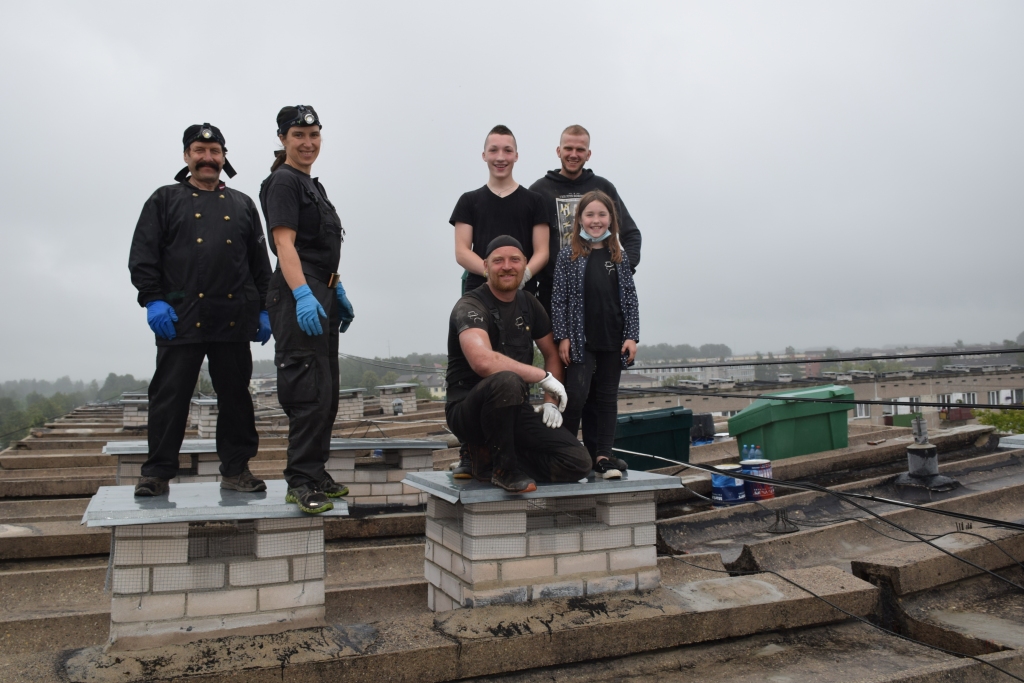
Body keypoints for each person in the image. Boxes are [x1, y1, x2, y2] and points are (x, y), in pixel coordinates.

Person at [128, 123, 273, 497]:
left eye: (215, 152)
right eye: (199, 150)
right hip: (179, 318)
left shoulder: (243, 204)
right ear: (186, 156)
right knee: (169, 398)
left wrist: (264, 310)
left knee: (236, 400)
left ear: (224, 157)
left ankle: (237, 470)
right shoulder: (163, 199)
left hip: (234, 318)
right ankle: (156, 473)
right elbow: (143, 257)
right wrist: (152, 298)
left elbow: (260, 264)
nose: (207, 158)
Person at [260, 105, 356, 514]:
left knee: (327, 393)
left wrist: (337, 288)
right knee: (307, 390)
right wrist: (302, 293)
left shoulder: (311, 184)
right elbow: (285, 246)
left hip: (322, 290)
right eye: (298, 135)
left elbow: (320, 249)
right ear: (282, 139)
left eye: (314, 135)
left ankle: (315, 471)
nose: (307, 143)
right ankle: (299, 480)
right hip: (300, 290)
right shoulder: (283, 181)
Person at [446, 235, 592, 492]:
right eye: (498, 260)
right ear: (485, 267)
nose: (507, 266)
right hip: (468, 412)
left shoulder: (529, 304)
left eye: (515, 260)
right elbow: (482, 361)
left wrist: (550, 402)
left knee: (578, 462)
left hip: (513, 410)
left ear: (525, 265)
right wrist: (542, 376)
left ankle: (489, 460)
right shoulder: (470, 305)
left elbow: (552, 355)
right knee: (507, 379)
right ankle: (505, 471)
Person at [551, 190, 640, 479]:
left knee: (606, 399)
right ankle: (562, 453)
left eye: (602, 214)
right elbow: (559, 299)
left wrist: (631, 336)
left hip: (613, 340)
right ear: (579, 219)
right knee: (576, 395)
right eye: (590, 214)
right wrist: (563, 336)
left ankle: (602, 455)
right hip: (580, 341)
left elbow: (629, 299)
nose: (596, 220)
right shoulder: (568, 256)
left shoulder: (619, 256)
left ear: (611, 219)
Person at [529, 125, 642, 315]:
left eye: (580, 150)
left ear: (588, 154)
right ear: (559, 151)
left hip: (598, 292)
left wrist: (622, 272)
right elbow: (527, 244)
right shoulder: (539, 191)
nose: (574, 154)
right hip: (553, 293)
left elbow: (631, 234)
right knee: (559, 346)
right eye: (568, 148)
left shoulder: (603, 187)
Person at [450, 125, 550, 295]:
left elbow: (542, 252)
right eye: (493, 150)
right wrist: (491, 273)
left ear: (516, 156)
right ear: (484, 155)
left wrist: (522, 276)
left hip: (523, 294)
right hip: (478, 294)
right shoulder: (468, 201)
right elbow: (462, 252)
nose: (501, 157)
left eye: (508, 150)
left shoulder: (535, 201)